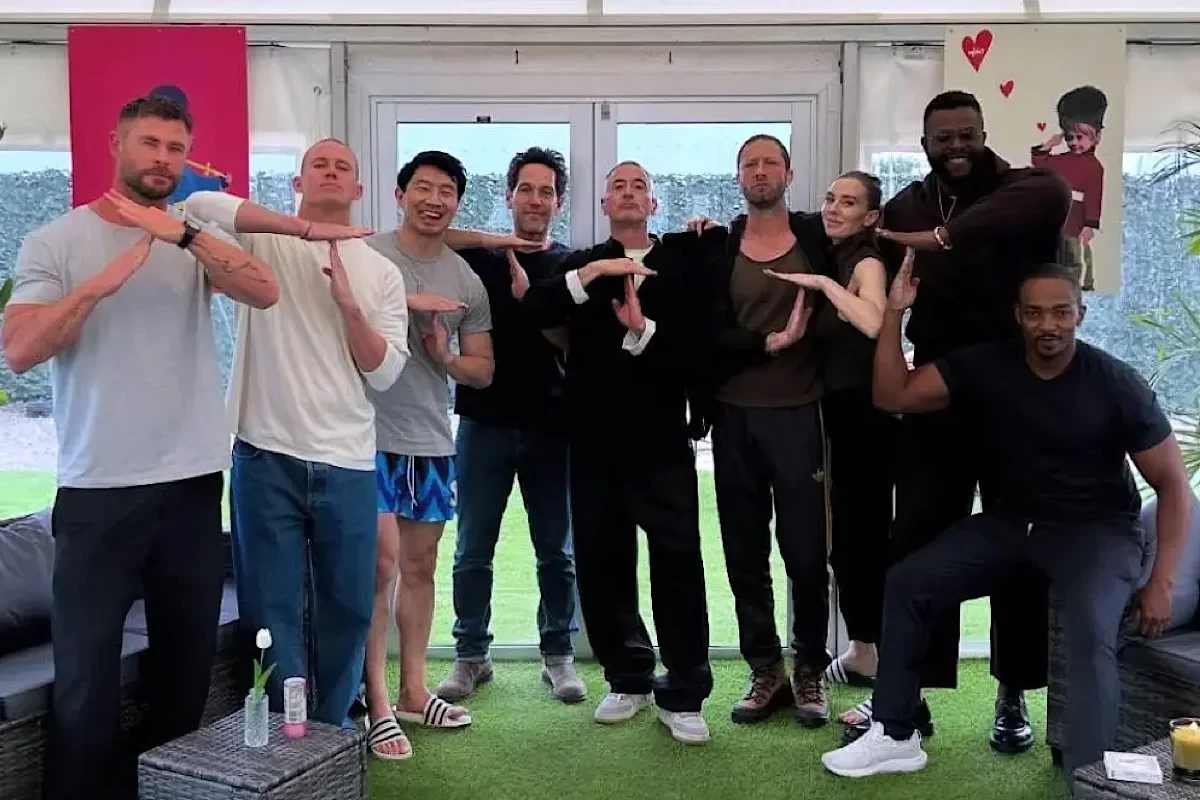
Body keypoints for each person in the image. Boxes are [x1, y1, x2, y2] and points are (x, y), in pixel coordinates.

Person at [2, 94, 279, 800]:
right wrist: (96, 288)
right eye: (150, 143)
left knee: (184, 676)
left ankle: (156, 789)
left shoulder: (192, 239)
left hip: (191, 485)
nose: (163, 159)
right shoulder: (57, 241)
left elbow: (264, 292)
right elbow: (21, 350)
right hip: (98, 489)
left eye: (175, 148)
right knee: (85, 681)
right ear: (116, 144)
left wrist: (181, 236)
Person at [821, 259, 1190, 779]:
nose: (1048, 325)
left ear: (1080, 315)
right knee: (907, 582)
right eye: (1035, 313)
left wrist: (1162, 583)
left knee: (1089, 633)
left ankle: (1087, 777)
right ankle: (896, 734)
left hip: (1097, 532)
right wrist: (894, 313)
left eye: (1060, 312)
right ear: (1018, 315)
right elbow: (892, 393)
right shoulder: (987, 365)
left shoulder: (1115, 383)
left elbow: (1173, 484)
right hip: (1013, 525)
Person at [838, 90, 1073, 750]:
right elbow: (857, 247)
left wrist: (942, 237)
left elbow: (1050, 196)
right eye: (944, 138)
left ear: (983, 133)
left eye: (967, 133)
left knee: (1020, 543)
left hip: (1018, 395)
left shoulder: (1026, 188)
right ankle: (909, 692)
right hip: (937, 392)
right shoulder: (907, 205)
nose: (957, 146)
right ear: (925, 144)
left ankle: (1012, 691)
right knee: (918, 541)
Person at [182, 138, 412, 732]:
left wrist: (350, 309)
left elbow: (385, 373)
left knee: (347, 607)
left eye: (343, 167)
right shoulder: (262, 240)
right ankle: (286, 736)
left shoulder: (382, 272)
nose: (331, 172)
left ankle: (332, 733)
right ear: (297, 183)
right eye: (319, 165)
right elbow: (199, 204)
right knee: (271, 608)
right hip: (265, 453)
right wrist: (302, 230)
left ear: (358, 189)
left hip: (348, 460)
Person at [521, 160, 714, 745]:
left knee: (677, 562)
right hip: (595, 441)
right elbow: (537, 310)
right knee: (603, 563)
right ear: (604, 204)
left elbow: (698, 347)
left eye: (640, 186)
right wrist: (597, 272)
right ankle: (628, 676)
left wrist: (643, 329)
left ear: (653, 203)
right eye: (618, 186)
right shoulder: (581, 264)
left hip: (663, 440)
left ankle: (684, 690)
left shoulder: (682, 263)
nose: (629, 193)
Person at [688, 134, 838, 728]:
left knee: (806, 553)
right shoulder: (720, 244)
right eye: (749, 163)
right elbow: (705, 332)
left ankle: (809, 670)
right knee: (744, 551)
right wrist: (768, 343)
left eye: (770, 162)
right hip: (733, 417)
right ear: (738, 178)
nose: (759, 171)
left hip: (801, 413)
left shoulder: (817, 237)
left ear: (788, 174)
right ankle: (765, 669)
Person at [435, 147, 584, 704]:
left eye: (547, 192)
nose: (536, 200)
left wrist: (532, 303)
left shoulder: (569, 263)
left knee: (556, 552)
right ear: (509, 196)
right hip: (484, 422)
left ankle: (559, 655)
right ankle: (471, 655)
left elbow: (575, 347)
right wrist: (496, 242)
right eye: (526, 189)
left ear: (558, 203)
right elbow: (433, 237)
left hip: (551, 427)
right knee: (473, 548)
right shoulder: (480, 258)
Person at [359, 150, 495, 760]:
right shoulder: (367, 257)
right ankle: (376, 703)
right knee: (378, 568)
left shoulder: (465, 280)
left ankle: (414, 691)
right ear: (400, 194)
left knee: (420, 566)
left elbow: (482, 371)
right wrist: (401, 309)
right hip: (365, 437)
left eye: (446, 191)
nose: (434, 200)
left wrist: (444, 357)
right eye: (423, 187)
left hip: (430, 440)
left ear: (457, 203)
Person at [766, 170, 895, 690]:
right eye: (830, 199)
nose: (833, 209)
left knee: (864, 543)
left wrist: (822, 286)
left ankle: (885, 663)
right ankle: (864, 652)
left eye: (848, 203)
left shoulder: (866, 262)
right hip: (842, 418)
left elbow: (874, 321)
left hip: (869, 420)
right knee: (847, 543)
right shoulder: (837, 253)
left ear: (870, 217)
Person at [1031, 85, 1108, 291]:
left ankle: (1075, 285)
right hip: (1054, 215)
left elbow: (1094, 197)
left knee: (1075, 255)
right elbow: (1040, 162)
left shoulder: (1095, 168)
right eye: (1069, 137)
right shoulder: (1060, 160)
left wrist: (1089, 224)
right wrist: (1048, 145)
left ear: (1097, 136)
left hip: (1075, 219)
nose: (1074, 143)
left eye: (1080, 137)